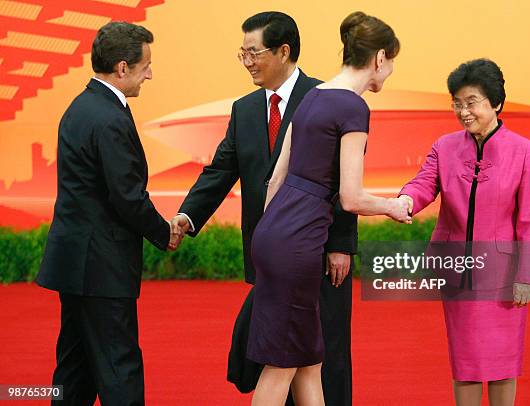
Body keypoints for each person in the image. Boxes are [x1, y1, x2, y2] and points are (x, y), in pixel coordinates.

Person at [171, 12, 357, 405]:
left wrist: (341, 242)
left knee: (326, 353)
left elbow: (344, 176)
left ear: (283, 51)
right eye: (243, 54)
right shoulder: (245, 110)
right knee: (280, 352)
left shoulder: (326, 99)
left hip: (319, 253)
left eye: (253, 52)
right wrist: (188, 215)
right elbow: (221, 170)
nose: (248, 62)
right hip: (272, 255)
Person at [247, 11, 407, 406]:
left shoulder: (311, 97)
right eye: (392, 63)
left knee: (308, 360)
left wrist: (272, 238)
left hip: (273, 234)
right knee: (282, 365)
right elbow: (351, 197)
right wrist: (393, 206)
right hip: (299, 241)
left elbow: (275, 180)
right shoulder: (354, 108)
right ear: (380, 59)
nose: (389, 72)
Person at [36, 22, 181, 405]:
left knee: (74, 369)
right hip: (101, 266)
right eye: (145, 65)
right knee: (120, 369)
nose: (149, 73)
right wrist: (163, 232)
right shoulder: (109, 118)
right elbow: (127, 196)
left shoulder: (82, 107)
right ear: (121, 68)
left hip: (77, 263)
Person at [398, 58, 530, 406]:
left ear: (496, 103)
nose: (464, 111)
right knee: (464, 359)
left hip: (504, 274)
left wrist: (526, 275)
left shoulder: (524, 151)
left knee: (503, 360)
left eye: (472, 102)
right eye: (457, 103)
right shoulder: (444, 147)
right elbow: (423, 184)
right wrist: (404, 201)